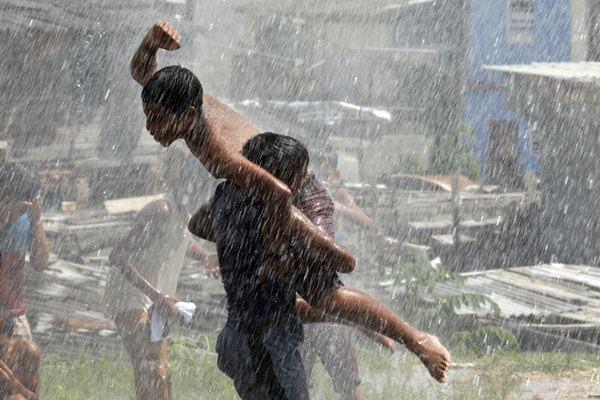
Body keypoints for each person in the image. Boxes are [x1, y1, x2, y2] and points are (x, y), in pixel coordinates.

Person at [195, 133, 451, 383]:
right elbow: (197, 226)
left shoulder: (301, 203)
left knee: (327, 299)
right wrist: (238, 243)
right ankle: (363, 324)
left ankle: (415, 339)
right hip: (254, 326)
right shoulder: (236, 196)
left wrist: (292, 250)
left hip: (297, 215)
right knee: (293, 311)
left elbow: (345, 262)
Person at [130, 21, 355, 282]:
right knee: (201, 224)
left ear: (188, 115)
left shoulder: (218, 154)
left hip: (300, 194)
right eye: (148, 116)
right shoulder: (181, 100)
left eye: (157, 119)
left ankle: (291, 254)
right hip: (271, 198)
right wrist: (151, 41)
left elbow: (280, 193)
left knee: (329, 286)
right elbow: (142, 72)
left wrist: (277, 256)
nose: (149, 127)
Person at [104, 145, 216, 400]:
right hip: (130, 296)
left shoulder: (183, 212)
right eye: (206, 194)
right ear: (190, 187)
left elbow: (179, 238)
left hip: (157, 298)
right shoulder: (161, 210)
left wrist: (204, 256)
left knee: (158, 371)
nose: (208, 202)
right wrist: (157, 296)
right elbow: (118, 255)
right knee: (150, 368)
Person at [211, 134, 311, 400]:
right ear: (282, 177)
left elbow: (198, 224)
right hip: (267, 344)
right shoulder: (270, 210)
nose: (303, 183)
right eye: (301, 175)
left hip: (239, 335)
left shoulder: (226, 196)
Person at [0, 164, 49, 342]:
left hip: (14, 314)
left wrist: (36, 224)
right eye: (22, 205)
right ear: (6, 199)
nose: (24, 210)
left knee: (27, 356)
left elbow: (40, 264)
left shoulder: (27, 219)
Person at [0, 315, 40, 400]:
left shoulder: (26, 351)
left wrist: (13, 383)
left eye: (1, 347)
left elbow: (34, 398)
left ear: (10, 337)